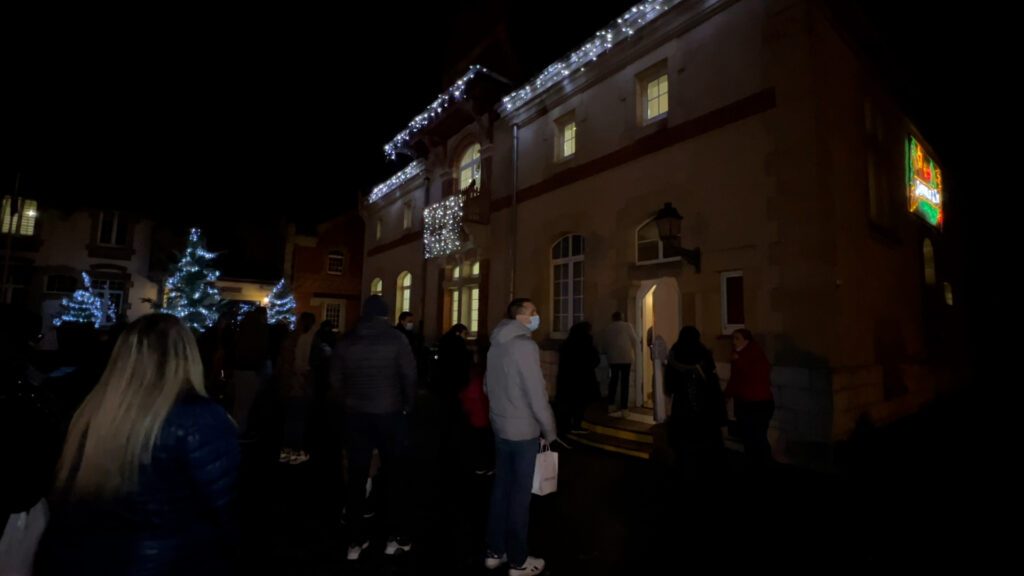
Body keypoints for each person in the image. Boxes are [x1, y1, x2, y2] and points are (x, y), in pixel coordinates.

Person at [38, 314, 240, 576]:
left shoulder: (93, 411)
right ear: (188, 355)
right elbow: (225, 508)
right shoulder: (199, 418)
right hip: (167, 562)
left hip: (88, 559)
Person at [331, 296, 417, 560]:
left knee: (357, 477)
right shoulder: (396, 339)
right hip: (389, 414)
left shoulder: (347, 341)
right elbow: (409, 375)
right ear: (385, 315)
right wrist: (407, 405)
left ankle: (355, 541)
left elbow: (335, 379)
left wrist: (347, 402)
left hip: (356, 415)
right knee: (394, 476)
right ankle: (394, 538)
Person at [484, 298, 557, 576]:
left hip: (501, 427)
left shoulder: (496, 344)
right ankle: (518, 559)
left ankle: (494, 550)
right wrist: (549, 429)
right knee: (519, 496)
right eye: (533, 312)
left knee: (501, 489)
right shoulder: (525, 346)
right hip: (523, 430)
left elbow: (487, 385)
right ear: (519, 317)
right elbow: (536, 394)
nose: (537, 315)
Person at [664, 326, 726, 483]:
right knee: (703, 438)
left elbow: (669, 383)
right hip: (703, 403)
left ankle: (684, 471)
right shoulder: (702, 352)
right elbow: (711, 378)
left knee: (683, 441)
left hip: (683, 404)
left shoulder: (675, 352)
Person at [725, 328, 775, 470]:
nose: (734, 342)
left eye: (737, 338)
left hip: (756, 403)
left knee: (755, 437)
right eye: (733, 338)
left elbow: (752, 375)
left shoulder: (751, 354)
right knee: (753, 437)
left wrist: (738, 361)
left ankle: (760, 464)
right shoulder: (741, 355)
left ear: (746, 341)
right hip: (751, 402)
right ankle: (757, 464)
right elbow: (735, 380)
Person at [277, 312, 316, 464]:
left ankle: (287, 450)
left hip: (289, 384)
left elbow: (283, 363)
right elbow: (300, 365)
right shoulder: (304, 340)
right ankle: (295, 450)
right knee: (297, 418)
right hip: (298, 384)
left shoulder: (290, 338)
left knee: (291, 418)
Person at [557, 321, 600, 433]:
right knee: (580, 403)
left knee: (569, 403)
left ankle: (566, 425)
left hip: (568, 379)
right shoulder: (586, 342)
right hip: (583, 379)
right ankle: (576, 425)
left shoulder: (567, 343)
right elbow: (595, 359)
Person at [602, 312, 638, 416]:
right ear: (622, 317)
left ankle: (611, 405)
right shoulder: (627, 326)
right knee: (625, 382)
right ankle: (624, 408)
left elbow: (605, 344)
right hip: (625, 357)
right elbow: (635, 340)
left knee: (613, 380)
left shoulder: (608, 328)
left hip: (613, 358)